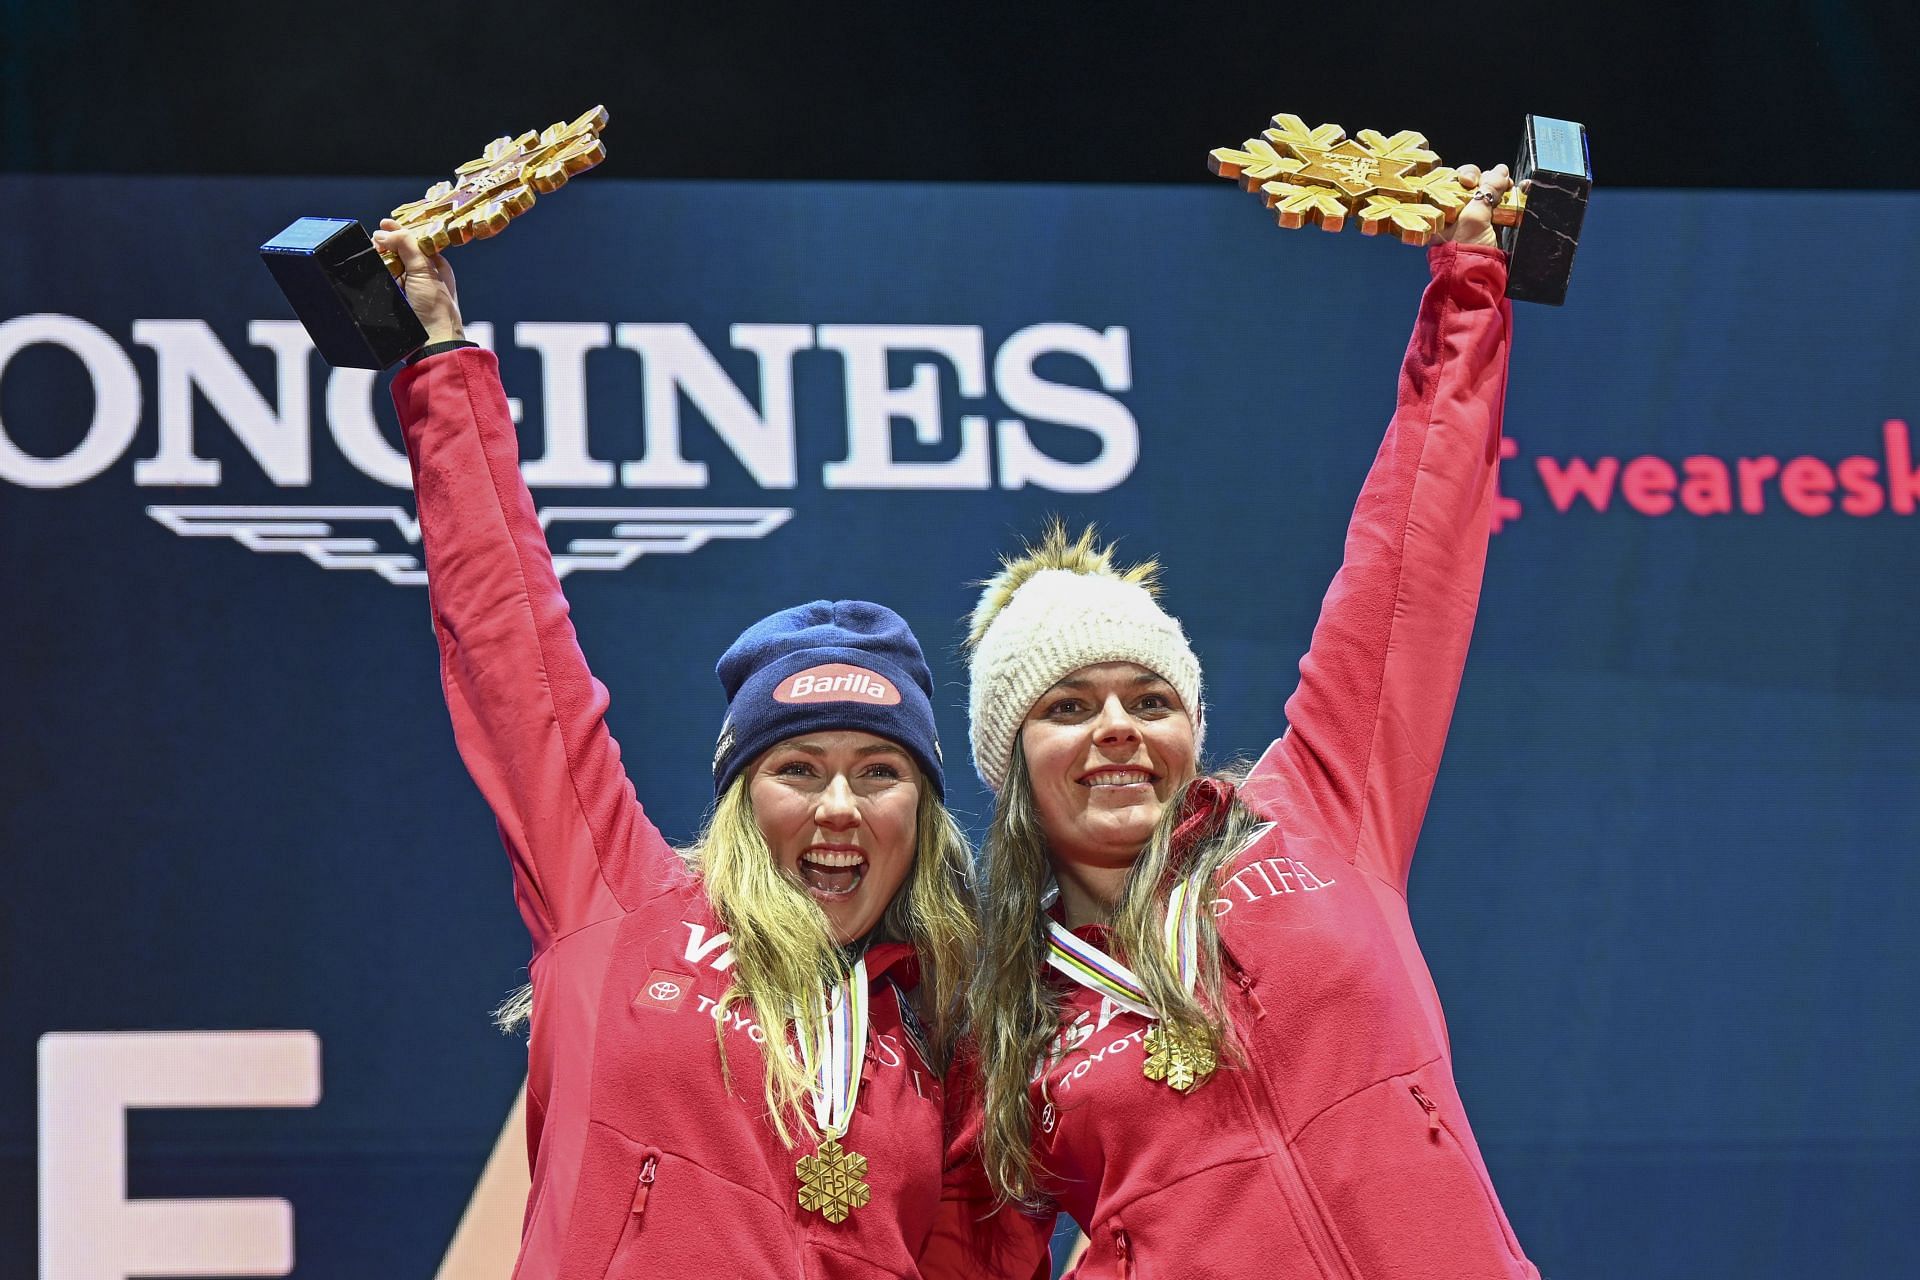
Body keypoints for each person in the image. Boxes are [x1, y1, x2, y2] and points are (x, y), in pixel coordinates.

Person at [930, 164, 1541, 1278]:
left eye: (1149, 699)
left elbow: (1407, 565)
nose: (1117, 726)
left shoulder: (1312, 812)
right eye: (1067, 707)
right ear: (1010, 761)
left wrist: (1467, 295)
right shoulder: (996, 1010)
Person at [373, 224, 978, 1278]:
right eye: (799, 767)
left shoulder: (945, 1036)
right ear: (743, 800)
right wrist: (442, 358)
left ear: (920, 812)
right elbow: (515, 647)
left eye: (879, 772)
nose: (840, 803)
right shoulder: (618, 901)